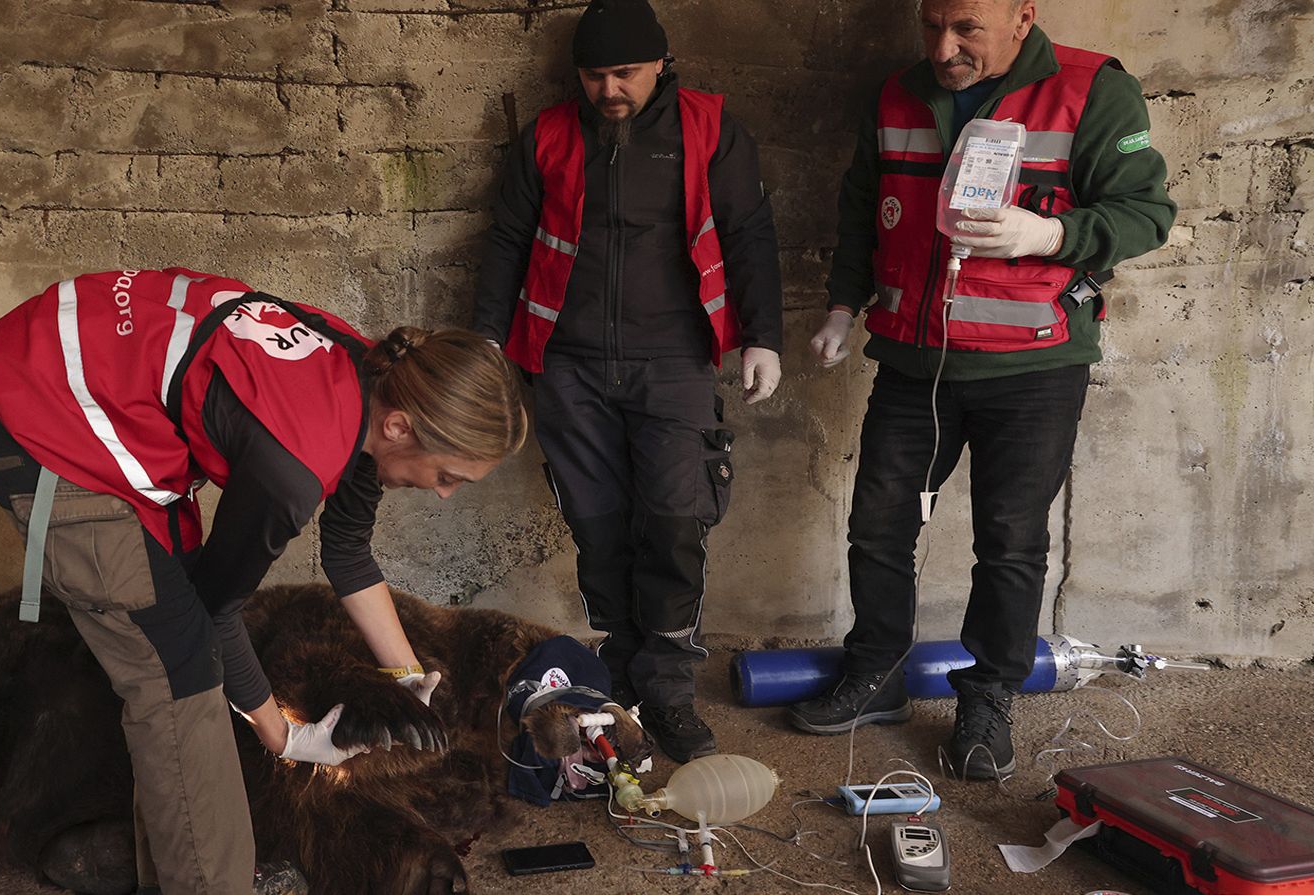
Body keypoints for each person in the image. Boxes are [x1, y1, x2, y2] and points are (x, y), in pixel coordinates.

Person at [0, 268, 528, 894]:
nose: (444, 496)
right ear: (401, 428)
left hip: (104, 389)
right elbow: (216, 614)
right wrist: (285, 735)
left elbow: (347, 552)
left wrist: (406, 677)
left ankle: (180, 871)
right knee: (177, 674)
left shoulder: (372, 376)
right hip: (32, 404)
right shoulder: (291, 468)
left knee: (179, 656)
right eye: (449, 476)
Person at [789, 0, 1174, 779]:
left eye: (966, 28)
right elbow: (865, 206)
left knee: (1010, 541)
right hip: (913, 357)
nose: (944, 46)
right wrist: (842, 304)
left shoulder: (1091, 89)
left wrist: (1051, 235)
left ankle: (989, 692)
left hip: (1031, 362)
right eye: (930, 24)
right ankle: (878, 674)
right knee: (879, 523)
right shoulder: (899, 93)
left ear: (1023, 15)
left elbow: (1146, 212)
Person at [471, 0, 783, 762]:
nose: (608, 89)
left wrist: (763, 337)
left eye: (624, 74)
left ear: (660, 64)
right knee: (598, 523)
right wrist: (485, 341)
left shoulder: (709, 130)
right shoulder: (548, 135)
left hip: (675, 360)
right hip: (568, 363)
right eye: (594, 75)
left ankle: (670, 691)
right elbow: (508, 236)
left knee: (676, 521)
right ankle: (621, 678)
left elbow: (748, 233)